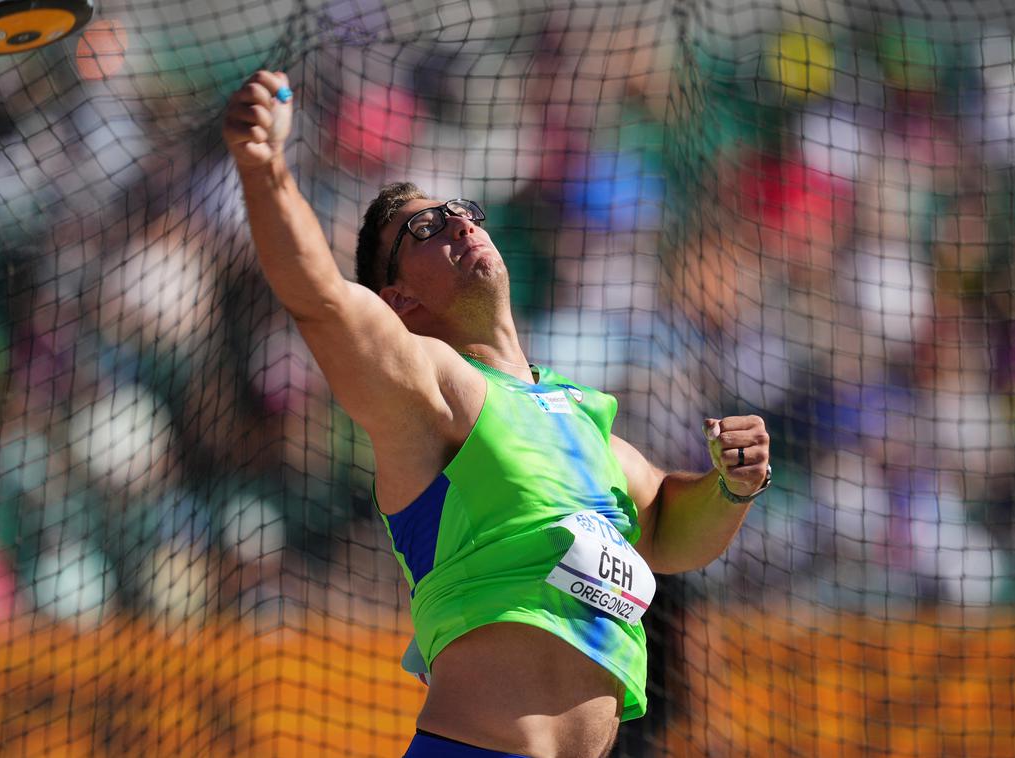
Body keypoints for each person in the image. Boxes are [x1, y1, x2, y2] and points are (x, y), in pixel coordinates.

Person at [222, 70, 772, 758]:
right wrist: (263, 164)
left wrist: (731, 485)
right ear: (398, 301)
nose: (458, 219)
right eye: (424, 227)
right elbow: (320, 298)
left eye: (462, 210)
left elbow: (667, 529)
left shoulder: (580, 413)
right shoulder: (432, 388)